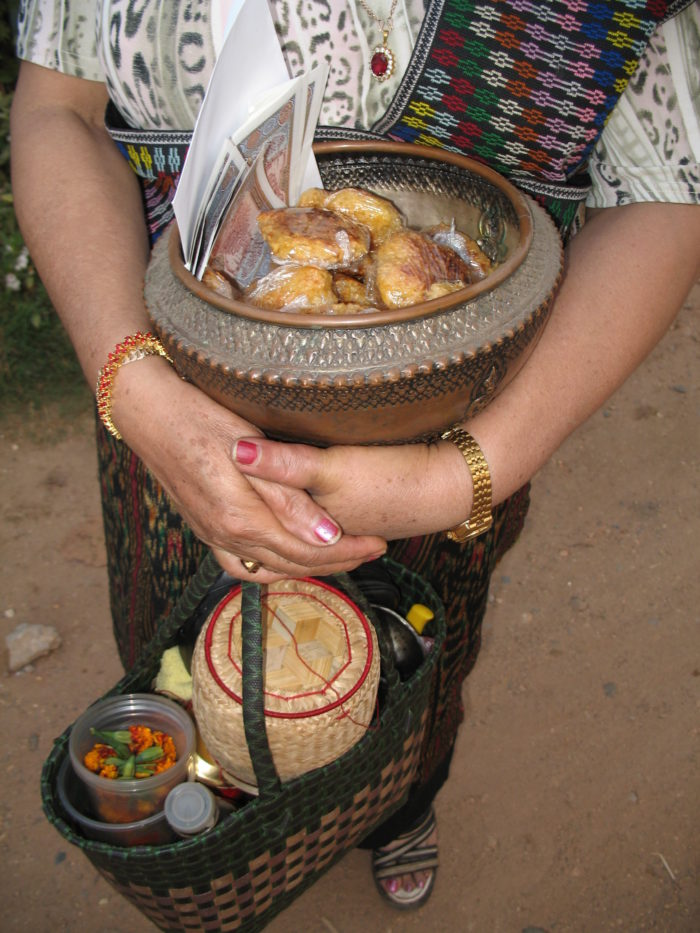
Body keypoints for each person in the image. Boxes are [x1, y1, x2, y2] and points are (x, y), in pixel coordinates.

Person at [11, 0, 700, 915]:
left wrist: (468, 472)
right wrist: (132, 387)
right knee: (182, 656)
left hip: (460, 448)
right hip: (168, 426)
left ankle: (396, 804)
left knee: (418, 675)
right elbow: (58, 109)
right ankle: (227, 831)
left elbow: (666, 184)